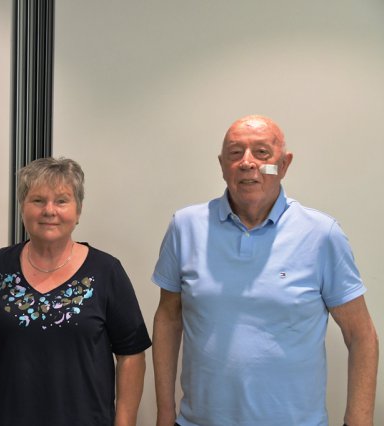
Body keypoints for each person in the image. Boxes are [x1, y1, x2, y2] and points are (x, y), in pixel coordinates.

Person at [152, 115, 379, 426]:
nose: (247, 163)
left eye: (261, 153)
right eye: (235, 153)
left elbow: (361, 335)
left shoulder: (321, 235)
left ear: (283, 165)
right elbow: (168, 318)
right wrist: (165, 414)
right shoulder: (185, 227)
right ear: (222, 165)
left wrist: (359, 421)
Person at [0, 157, 151, 426]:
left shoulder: (106, 272)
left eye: (61, 201)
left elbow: (131, 354)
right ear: (22, 208)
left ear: (78, 210)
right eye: (38, 200)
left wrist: (125, 422)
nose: (49, 210)